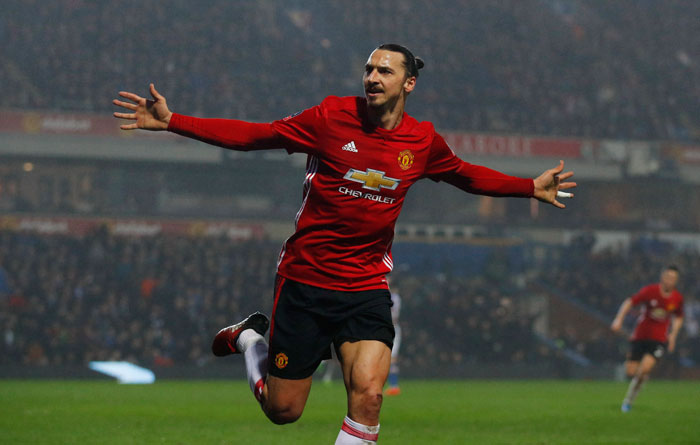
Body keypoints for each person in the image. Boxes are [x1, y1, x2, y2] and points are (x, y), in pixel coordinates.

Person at [113, 43, 576, 444]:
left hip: (365, 286)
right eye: (368, 69)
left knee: (370, 397)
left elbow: (464, 175)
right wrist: (175, 121)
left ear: (409, 83)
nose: (372, 77)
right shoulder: (331, 117)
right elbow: (258, 136)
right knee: (283, 411)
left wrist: (528, 187)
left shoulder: (422, 140)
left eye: (385, 70)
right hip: (306, 281)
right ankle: (250, 339)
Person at [610, 265, 684, 413]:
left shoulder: (677, 298)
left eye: (673, 278)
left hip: (659, 339)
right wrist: (619, 319)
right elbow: (630, 302)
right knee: (631, 371)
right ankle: (640, 380)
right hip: (641, 335)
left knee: (645, 369)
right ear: (662, 277)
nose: (670, 280)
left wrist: (673, 334)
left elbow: (678, 317)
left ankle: (628, 400)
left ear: (676, 281)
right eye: (668, 277)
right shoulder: (650, 291)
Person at [384, 279, 402, 396]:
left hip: (391, 328)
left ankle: (394, 386)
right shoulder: (394, 297)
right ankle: (393, 386)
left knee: (391, 358)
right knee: (388, 358)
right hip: (388, 328)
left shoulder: (393, 297)